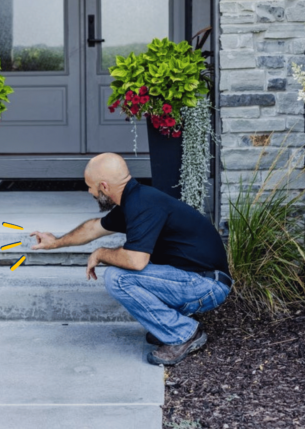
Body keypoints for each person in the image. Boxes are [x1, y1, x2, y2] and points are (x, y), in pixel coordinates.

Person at [30, 153, 230, 366]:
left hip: (208, 284)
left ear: (104, 187)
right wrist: (55, 242)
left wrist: (100, 253)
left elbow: (136, 261)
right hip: (193, 278)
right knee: (131, 269)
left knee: (118, 277)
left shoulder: (142, 204)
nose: (89, 192)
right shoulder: (134, 200)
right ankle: (169, 324)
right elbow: (92, 228)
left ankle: (183, 333)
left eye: (90, 187)